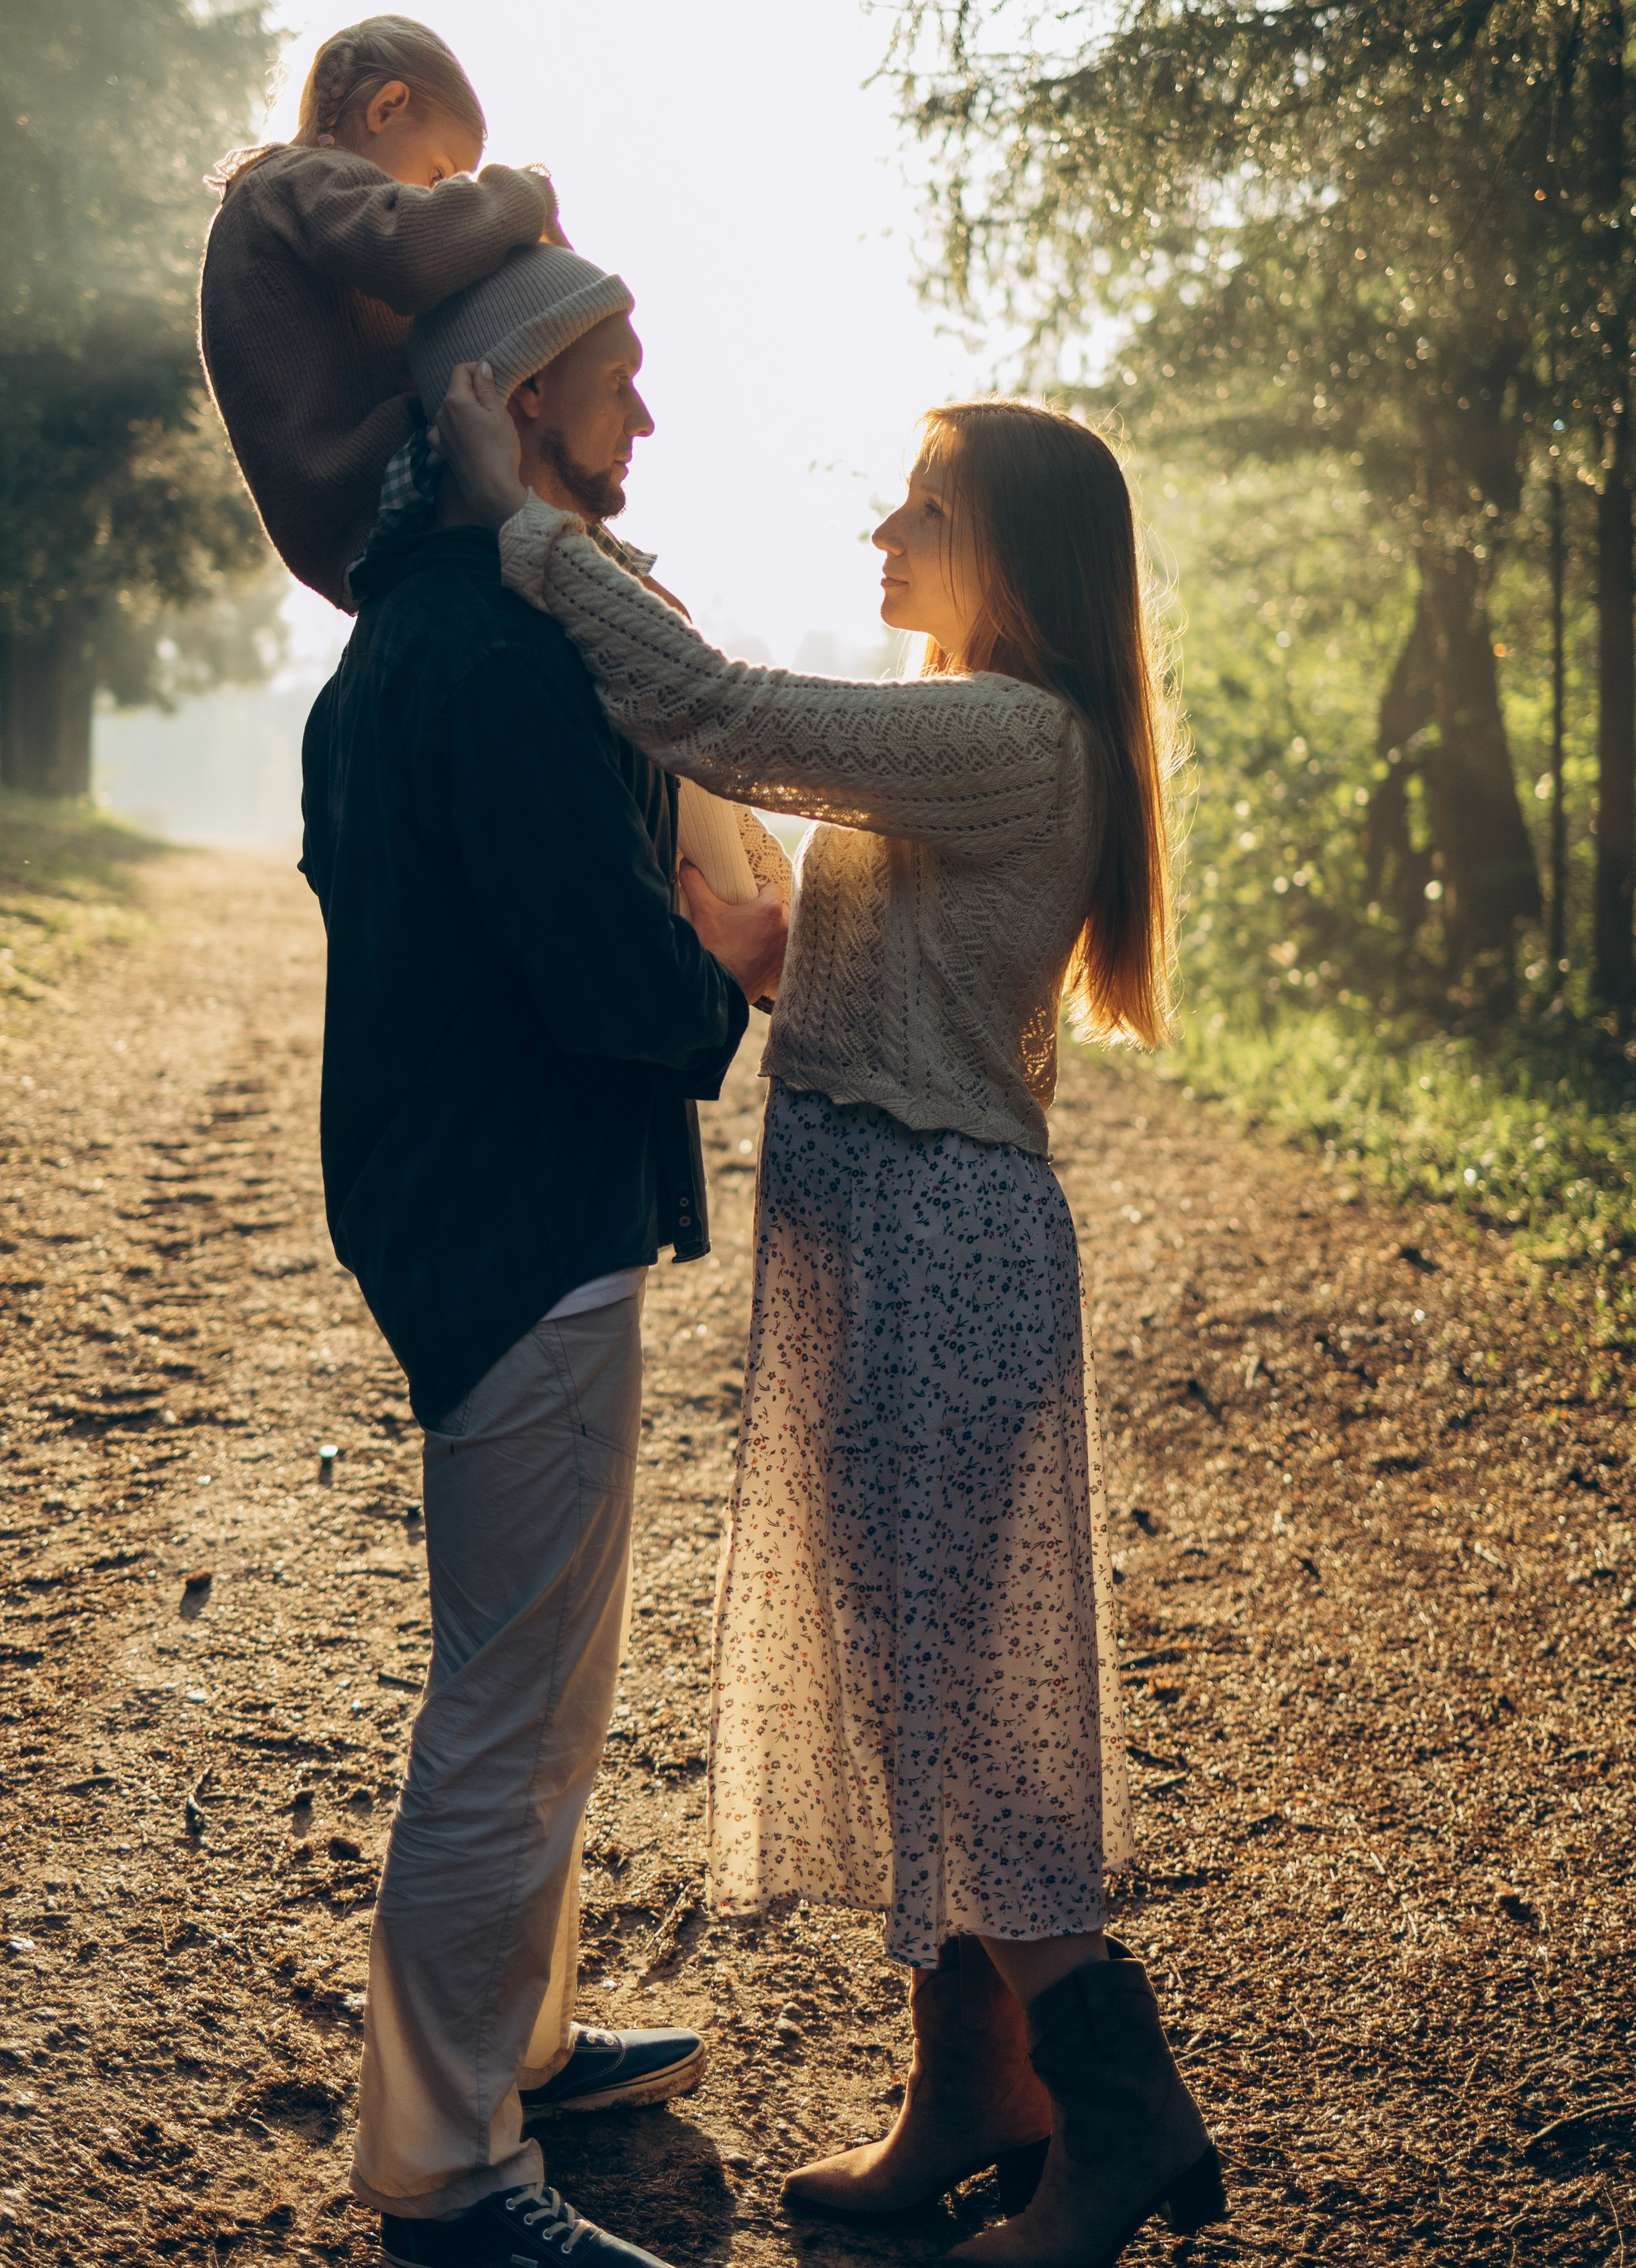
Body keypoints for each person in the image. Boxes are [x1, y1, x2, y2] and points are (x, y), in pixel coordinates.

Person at [433, 369, 1226, 2268]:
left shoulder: (1014, 736)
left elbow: (727, 717)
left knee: (975, 1714)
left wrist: (522, 528)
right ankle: (978, 2093)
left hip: (939, 1243)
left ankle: (1120, 2128)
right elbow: (741, 757)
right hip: (877, 1232)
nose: (880, 533)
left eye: (918, 508)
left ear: (1006, 553)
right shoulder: (960, 734)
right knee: (909, 1703)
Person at [299, 244, 790, 2268]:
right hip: (518, 1222)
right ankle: (443, 2175)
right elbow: (612, 978)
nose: (648, 421)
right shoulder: (493, 666)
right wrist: (726, 991)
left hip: (488, 1205)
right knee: (511, 1705)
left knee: (544, 1691)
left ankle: (522, 2046)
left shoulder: (431, 632)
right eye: (623, 380)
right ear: (510, 397)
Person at [198, 13, 561, 610]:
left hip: (348, 520)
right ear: (387, 108)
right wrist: (530, 195)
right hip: (373, 479)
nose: (436, 196)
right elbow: (413, 250)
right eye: (440, 175)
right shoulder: (302, 180)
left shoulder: (284, 198)